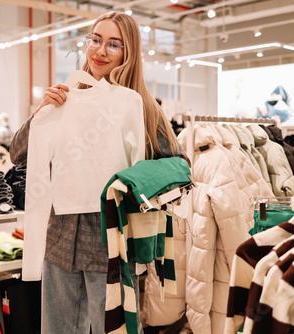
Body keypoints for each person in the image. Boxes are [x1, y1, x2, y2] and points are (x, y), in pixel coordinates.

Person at [10, 11, 183, 334]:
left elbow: (178, 166)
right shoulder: (63, 98)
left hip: (112, 246)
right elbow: (18, 155)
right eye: (96, 40)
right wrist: (41, 113)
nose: (100, 51)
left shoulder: (142, 107)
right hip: (60, 243)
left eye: (113, 44)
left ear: (127, 52)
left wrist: (126, 185)